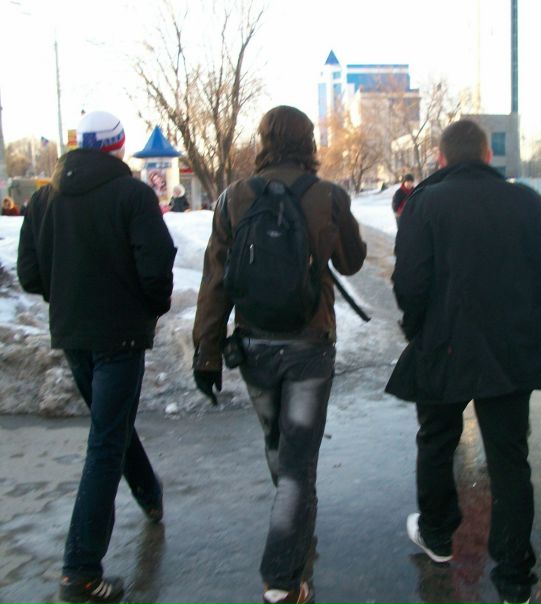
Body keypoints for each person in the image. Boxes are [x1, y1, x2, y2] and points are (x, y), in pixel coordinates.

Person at [386, 119, 541, 604]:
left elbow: (410, 282)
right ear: (488, 156)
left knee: (436, 439)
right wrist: (526, 326)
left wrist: (419, 330)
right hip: (508, 353)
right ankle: (514, 576)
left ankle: (437, 534)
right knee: (509, 459)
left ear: (441, 158)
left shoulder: (424, 204)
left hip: (443, 345)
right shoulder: (528, 202)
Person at [192, 105, 366, 604]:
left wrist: (206, 352)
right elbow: (352, 263)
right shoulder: (327, 196)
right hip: (310, 346)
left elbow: (215, 281)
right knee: (298, 464)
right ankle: (282, 580)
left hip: (254, 345)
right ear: (308, 141)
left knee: (279, 446)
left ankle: (294, 525)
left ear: (264, 140)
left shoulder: (232, 198)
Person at [17, 110, 176, 603]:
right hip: (120, 337)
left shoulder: (43, 198)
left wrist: (66, 297)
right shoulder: (133, 195)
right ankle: (81, 570)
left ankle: (149, 493)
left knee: (111, 426)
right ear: (118, 146)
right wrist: (148, 308)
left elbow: (29, 274)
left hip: (73, 335)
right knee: (106, 441)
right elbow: (156, 267)